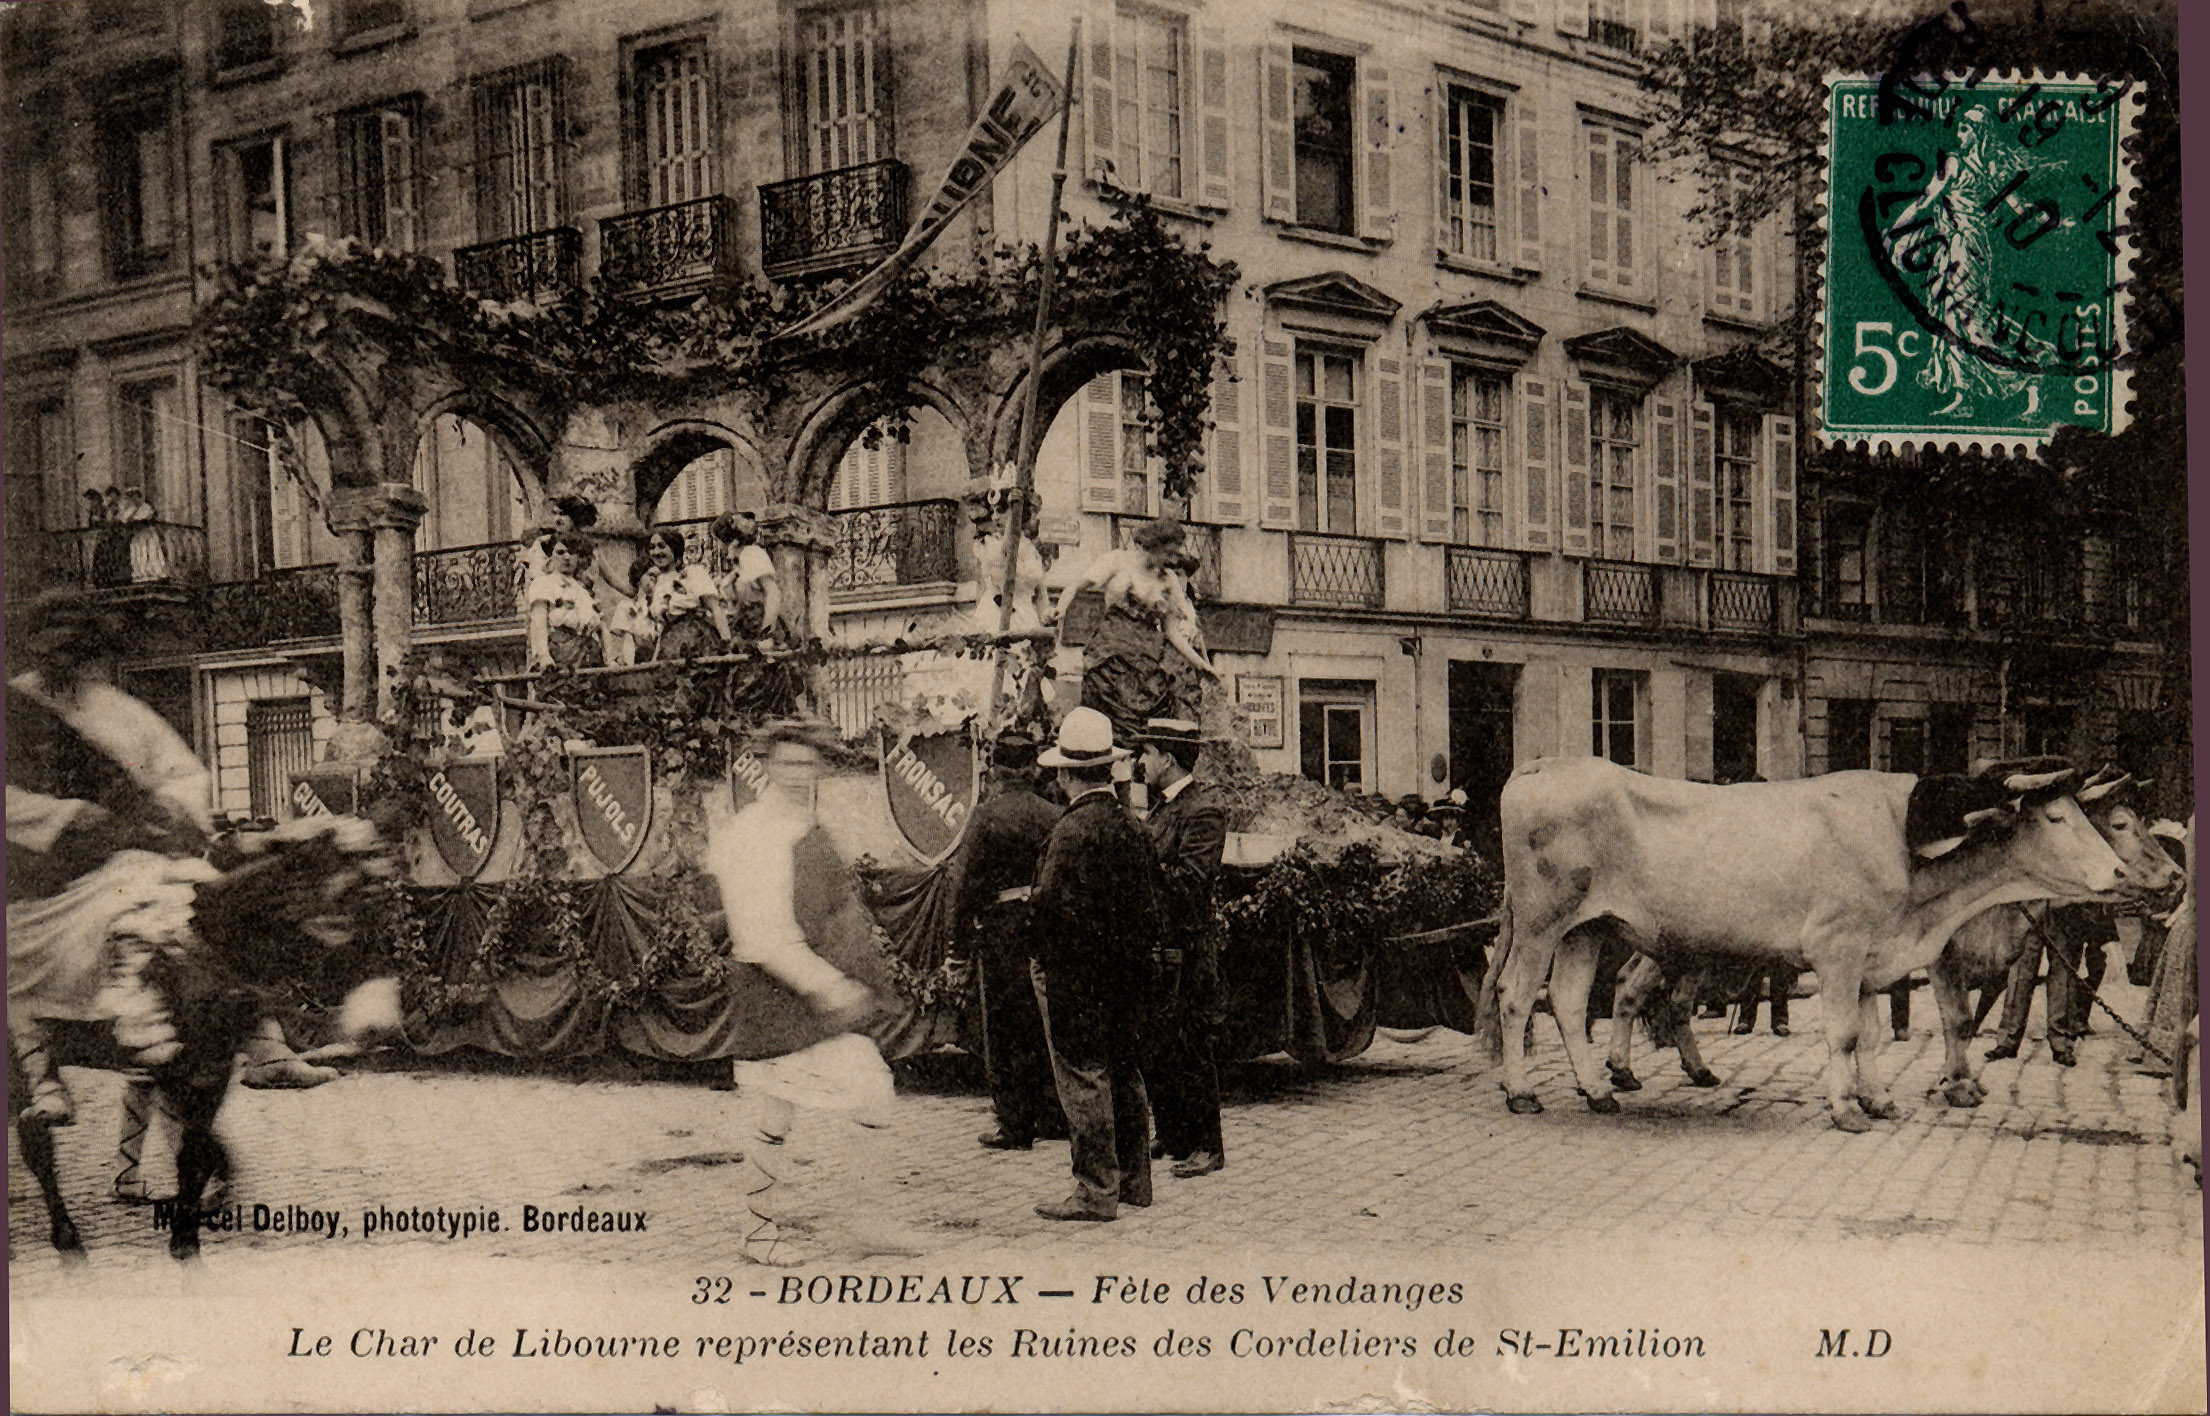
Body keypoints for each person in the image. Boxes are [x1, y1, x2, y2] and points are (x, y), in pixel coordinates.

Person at [700, 717, 916, 1263]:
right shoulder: (752, 834)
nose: (800, 774)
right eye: (788, 764)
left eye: (808, 763)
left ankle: (871, 1223)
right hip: (775, 995)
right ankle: (759, 1236)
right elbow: (761, 936)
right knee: (776, 1115)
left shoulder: (804, 825)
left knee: (871, 1095)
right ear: (767, 767)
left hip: (807, 995)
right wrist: (830, 988)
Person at [1028, 707, 1162, 1221]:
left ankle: (1095, 1189)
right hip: (1127, 976)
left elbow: (1052, 911)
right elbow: (1153, 905)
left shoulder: (1071, 833)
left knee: (1083, 1078)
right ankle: (1133, 1181)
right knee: (1124, 1072)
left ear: (1064, 774)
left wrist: (1029, 921)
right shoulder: (1133, 828)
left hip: (1078, 980)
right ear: (1109, 769)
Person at [1881, 102, 2061, 421]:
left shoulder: (1961, 165)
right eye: (1960, 127)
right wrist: (1898, 227)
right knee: (1956, 318)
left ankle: (2034, 363)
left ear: (1978, 134)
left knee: (1968, 317)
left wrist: (2049, 221)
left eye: (1966, 128)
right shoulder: (1974, 166)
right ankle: (1969, 392)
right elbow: (1927, 202)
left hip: (1967, 247)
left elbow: (2016, 206)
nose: (1960, 133)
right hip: (1955, 245)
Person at [945, 727, 1065, 1151]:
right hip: (1046, 928)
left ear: (996, 770)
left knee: (1006, 1026)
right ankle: (1054, 1116)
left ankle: (1015, 1124)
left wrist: (957, 949)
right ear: (1034, 769)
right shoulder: (1054, 815)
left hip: (1002, 931)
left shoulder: (986, 816)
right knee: (1046, 1020)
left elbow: (962, 886)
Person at [1136, 718, 1227, 1179]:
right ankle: (1173, 1134)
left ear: (1168, 759)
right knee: (1159, 1044)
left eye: (1146, 753)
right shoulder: (1164, 808)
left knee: (1192, 1045)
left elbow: (1191, 882)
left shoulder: (1204, 809)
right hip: (1161, 946)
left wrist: (1141, 867)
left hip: (1189, 950)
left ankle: (1209, 1147)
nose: (1140, 762)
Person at [1042, 517, 1217, 744]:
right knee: (1103, 706)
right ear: (1155, 545)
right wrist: (1059, 610)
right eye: (1169, 553)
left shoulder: (1169, 580)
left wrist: (1201, 664)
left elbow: (1172, 632)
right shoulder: (1117, 560)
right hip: (1109, 648)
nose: (1173, 560)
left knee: (1148, 710)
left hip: (1145, 655)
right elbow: (1075, 587)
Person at [523, 532, 613, 670]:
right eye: (560, 552)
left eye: (571, 553)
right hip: (559, 657)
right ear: (551, 557)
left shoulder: (583, 592)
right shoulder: (542, 584)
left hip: (589, 658)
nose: (567, 557)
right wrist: (544, 656)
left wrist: (609, 660)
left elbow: (601, 627)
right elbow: (538, 623)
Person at [640, 528, 731, 660]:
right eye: (652, 547)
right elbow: (664, 626)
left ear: (674, 548)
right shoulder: (660, 581)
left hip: (695, 638)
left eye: (662, 546)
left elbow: (716, 607)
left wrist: (726, 644)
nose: (656, 552)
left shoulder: (693, 572)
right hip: (670, 642)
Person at [514, 496, 599, 613]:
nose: (557, 519)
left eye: (563, 514)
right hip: (549, 602)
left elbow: (597, 578)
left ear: (575, 517)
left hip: (579, 603)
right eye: (555, 514)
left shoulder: (588, 547)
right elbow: (536, 575)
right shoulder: (544, 544)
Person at [710, 511, 782, 644]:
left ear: (732, 540)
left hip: (758, 626)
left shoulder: (752, 555)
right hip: (742, 629)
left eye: (720, 541)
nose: (719, 547)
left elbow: (773, 593)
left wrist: (766, 636)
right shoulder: (738, 563)